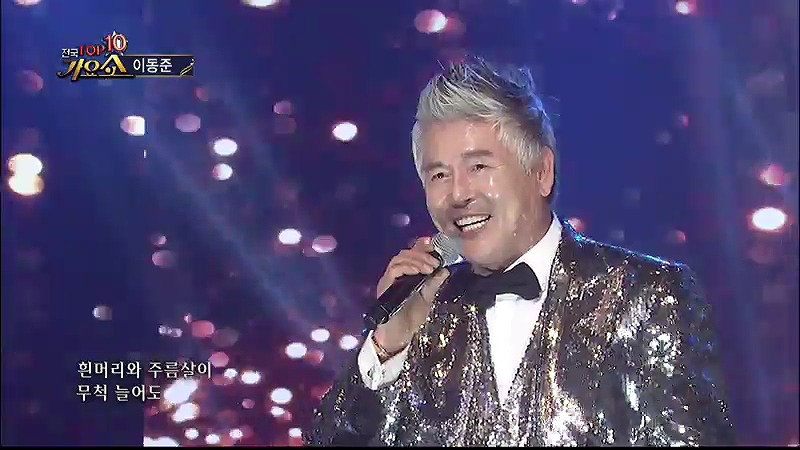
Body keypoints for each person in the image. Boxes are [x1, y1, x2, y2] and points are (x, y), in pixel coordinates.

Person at [303, 57, 735, 446]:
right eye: (438, 175)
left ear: (541, 172)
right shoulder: (419, 312)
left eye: (478, 167)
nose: (458, 194)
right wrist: (387, 345)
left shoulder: (645, 294)